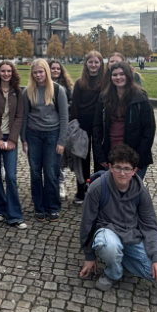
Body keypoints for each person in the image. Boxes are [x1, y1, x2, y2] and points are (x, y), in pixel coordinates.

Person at [78, 144, 157, 291]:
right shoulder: (97, 188)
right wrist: (89, 256)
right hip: (107, 233)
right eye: (118, 167)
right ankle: (113, 273)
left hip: (131, 237)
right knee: (108, 245)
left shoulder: (141, 192)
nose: (122, 173)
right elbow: (87, 222)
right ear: (110, 167)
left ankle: (124, 261)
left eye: (127, 169)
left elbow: (150, 226)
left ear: (134, 171)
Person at [21, 59, 69, 222]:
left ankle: (53, 206)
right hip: (33, 135)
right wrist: (24, 140)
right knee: (35, 172)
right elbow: (24, 116)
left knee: (50, 172)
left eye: (41, 72)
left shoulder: (57, 90)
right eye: (35, 72)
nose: (38, 75)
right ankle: (39, 206)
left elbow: (64, 116)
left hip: (52, 135)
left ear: (46, 72)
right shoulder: (27, 91)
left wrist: (62, 141)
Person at [92, 61, 155, 180]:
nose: (118, 77)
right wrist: (100, 155)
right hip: (111, 154)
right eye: (115, 74)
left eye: (122, 74)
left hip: (134, 155)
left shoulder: (140, 98)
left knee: (131, 194)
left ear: (128, 75)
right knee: (112, 194)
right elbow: (97, 127)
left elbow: (149, 130)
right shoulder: (104, 98)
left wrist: (140, 159)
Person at [0, 60, 27, 230]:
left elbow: (19, 117)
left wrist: (12, 139)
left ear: (12, 72)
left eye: (9, 71)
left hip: (11, 137)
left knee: (10, 176)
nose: (6, 74)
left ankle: (15, 214)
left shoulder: (18, 91)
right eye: (3, 71)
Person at [69, 51, 105, 204]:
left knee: (99, 159)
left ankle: (97, 190)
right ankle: (81, 189)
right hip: (82, 126)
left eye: (96, 62)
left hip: (99, 126)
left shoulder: (105, 83)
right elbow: (75, 106)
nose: (93, 65)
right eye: (91, 62)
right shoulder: (79, 83)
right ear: (86, 64)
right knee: (82, 159)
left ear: (101, 64)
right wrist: (74, 125)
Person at [48, 60, 74, 198]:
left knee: (61, 158)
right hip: (48, 126)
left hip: (62, 125)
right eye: (53, 68)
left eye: (58, 69)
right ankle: (51, 183)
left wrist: (63, 109)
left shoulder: (67, 87)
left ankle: (61, 183)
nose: (56, 71)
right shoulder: (43, 85)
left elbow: (72, 103)